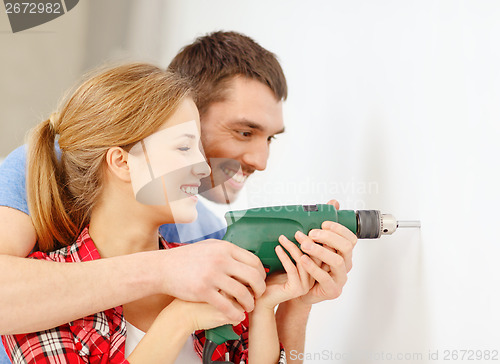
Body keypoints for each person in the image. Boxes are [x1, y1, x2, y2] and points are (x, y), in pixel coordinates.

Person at [0, 31, 357, 363]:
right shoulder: (38, 170)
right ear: (121, 160)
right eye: (244, 131)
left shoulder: (211, 244)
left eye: (270, 139)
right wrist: (175, 300)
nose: (260, 162)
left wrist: (293, 306)